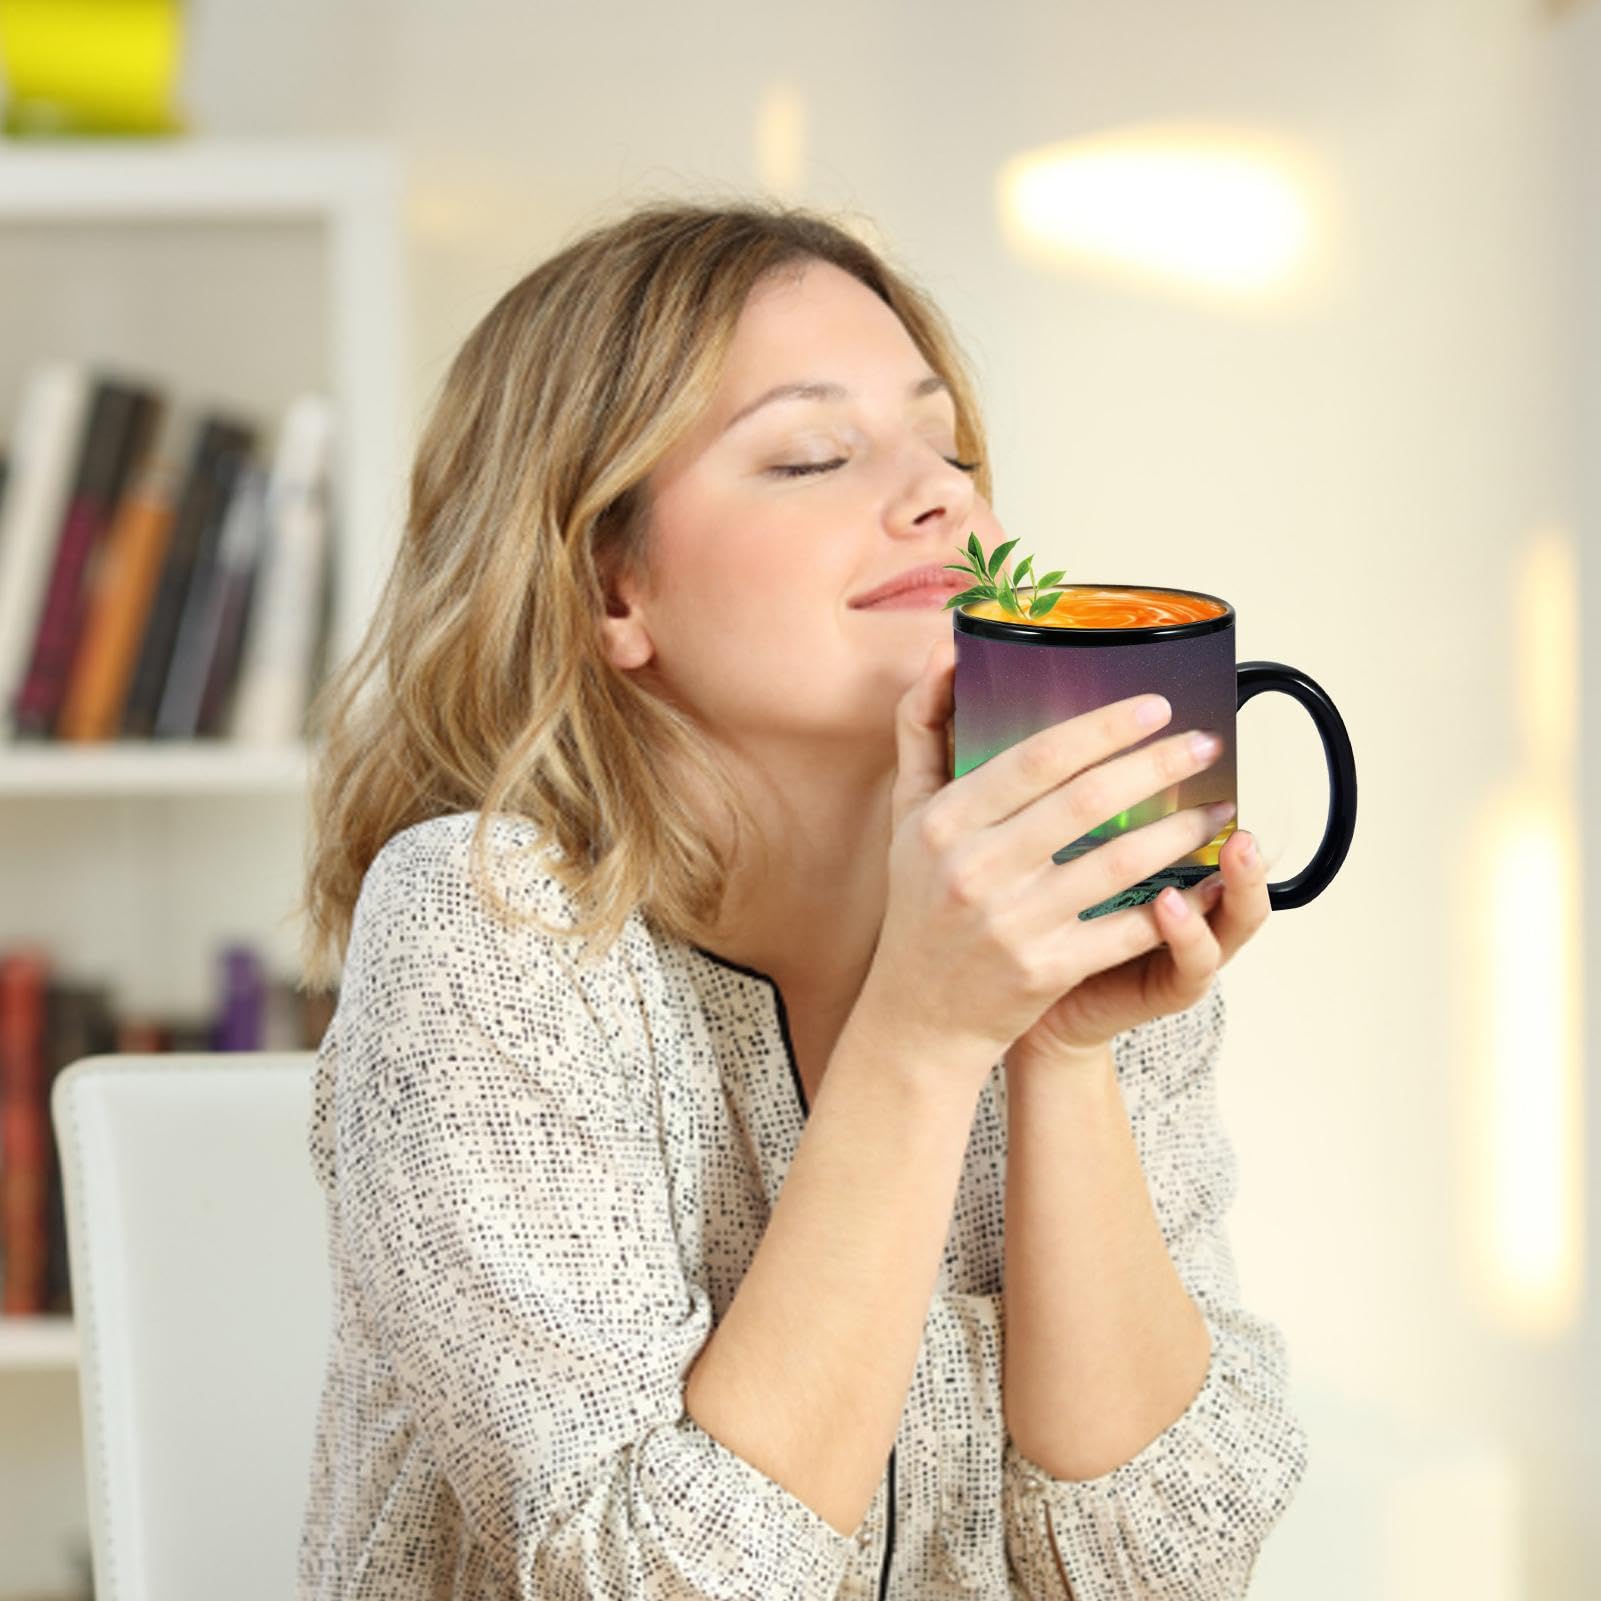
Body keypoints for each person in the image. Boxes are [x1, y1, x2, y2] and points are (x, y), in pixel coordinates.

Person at [294, 198, 1308, 1600]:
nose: (941, 494)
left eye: (950, 447)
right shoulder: (485, 928)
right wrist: (922, 1035)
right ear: (609, 585)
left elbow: (1155, 1570)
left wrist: (1060, 1045)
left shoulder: (1053, 910)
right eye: (812, 453)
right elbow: (654, 1582)